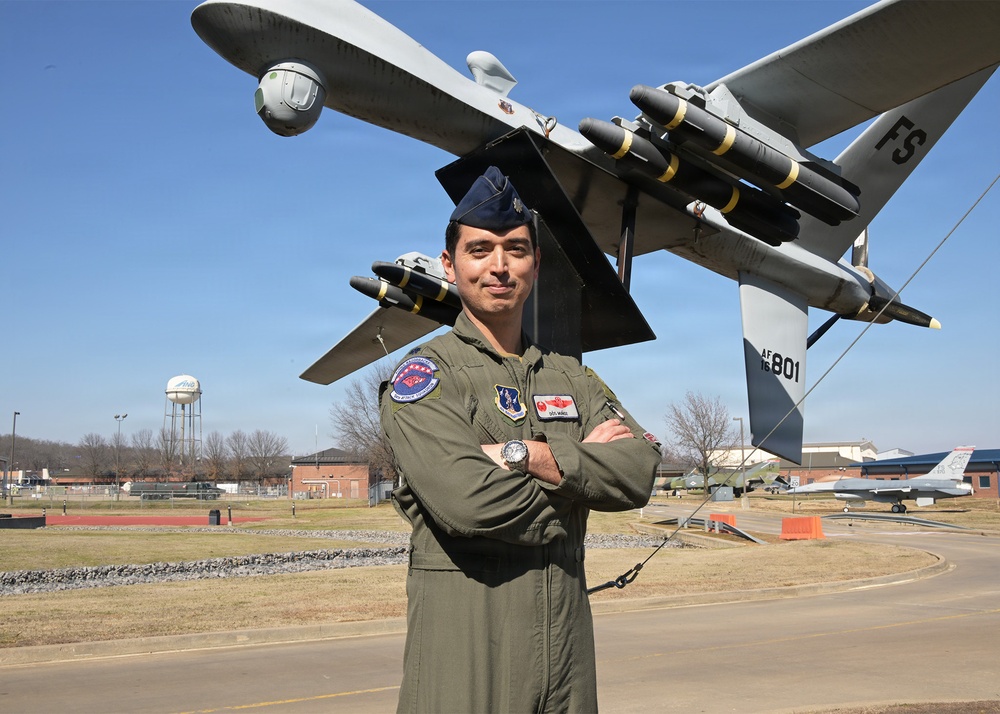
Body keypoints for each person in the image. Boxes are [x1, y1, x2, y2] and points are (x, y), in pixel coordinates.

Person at [380, 166, 661, 713]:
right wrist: (581, 481)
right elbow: (468, 501)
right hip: (469, 657)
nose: (499, 266)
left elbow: (640, 467)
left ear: (535, 263)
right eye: (480, 249)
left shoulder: (570, 377)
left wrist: (527, 455)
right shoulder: (427, 378)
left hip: (568, 662)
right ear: (450, 264)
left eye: (516, 249)